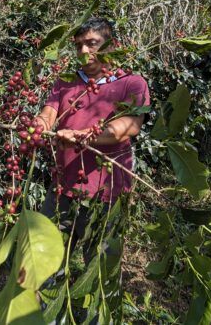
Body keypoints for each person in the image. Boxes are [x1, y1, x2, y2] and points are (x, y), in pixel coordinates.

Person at [35, 17, 150, 261]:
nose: (83, 51)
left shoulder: (132, 83)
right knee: (44, 255)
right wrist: (38, 127)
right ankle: (44, 297)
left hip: (105, 194)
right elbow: (49, 112)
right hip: (62, 188)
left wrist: (82, 136)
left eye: (92, 43)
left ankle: (91, 297)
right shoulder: (66, 81)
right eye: (78, 46)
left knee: (99, 264)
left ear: (111, 45)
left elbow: (127, 126)